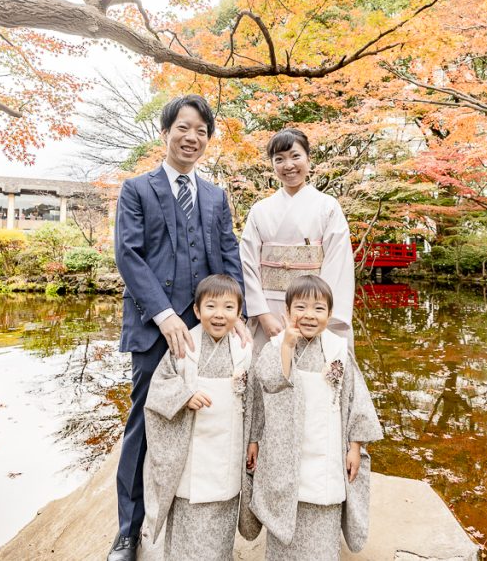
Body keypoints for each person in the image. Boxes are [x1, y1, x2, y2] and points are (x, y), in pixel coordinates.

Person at [109, 95, 249, 561]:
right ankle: (129, 531)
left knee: (211, 416)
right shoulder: (137, 189)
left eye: (201, 131)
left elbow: (228, 255)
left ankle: (190, 513)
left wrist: (238, 314)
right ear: (166, 131)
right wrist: (165, 316)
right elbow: (129, 256)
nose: (192, 138)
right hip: (156, 329)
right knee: (145, 423)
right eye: (183, 128)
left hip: (210, 326)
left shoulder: (214, 195)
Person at [247, 275, 382, 560]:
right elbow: (267, 386)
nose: (309, 315)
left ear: (330, 314)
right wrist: (286, 347)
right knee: (284, 533)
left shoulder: (337, 350)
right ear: (287, 311)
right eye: (301, 307)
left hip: (326, 454)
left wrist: (355, 446)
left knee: (321, 535)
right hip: (284, 453)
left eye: (319, 309)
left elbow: (356, 400)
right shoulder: (274, 348)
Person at [140, 275, 259, 559]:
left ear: (239, 314)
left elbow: (255, 398)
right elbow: (159, 387)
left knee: (221, 523)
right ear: (196, 310)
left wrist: (254, 439)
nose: (219, 315)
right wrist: (184, 397)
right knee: (186, 526)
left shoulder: (244, 350)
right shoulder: (184, 347)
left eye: (229, 307)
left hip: (227, 449)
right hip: (191, 455)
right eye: (211, 306)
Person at [239, 128, 355, 351]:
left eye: (295, 156)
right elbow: (247, 265)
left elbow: (338, 265)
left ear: (309, 160)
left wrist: (320, 315)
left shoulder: (328, 207)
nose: (288, 165)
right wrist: (262, 315)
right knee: (270, 374)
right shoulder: (260, 210)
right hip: (271, 309)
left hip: (315, 311)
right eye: (279, 159)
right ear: (272, 165)